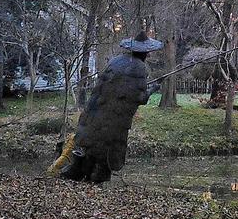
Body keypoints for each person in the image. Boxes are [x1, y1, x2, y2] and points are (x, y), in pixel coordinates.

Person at [58, 30, 163, 183]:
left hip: (96, 115)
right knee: (107, 154)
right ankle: (95, 180)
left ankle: (83, 175)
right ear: (145, 52)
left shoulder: (115, 61)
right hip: (115, 122)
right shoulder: (139, 67)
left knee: (92, 146)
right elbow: (140, 98)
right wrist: (153, 88)